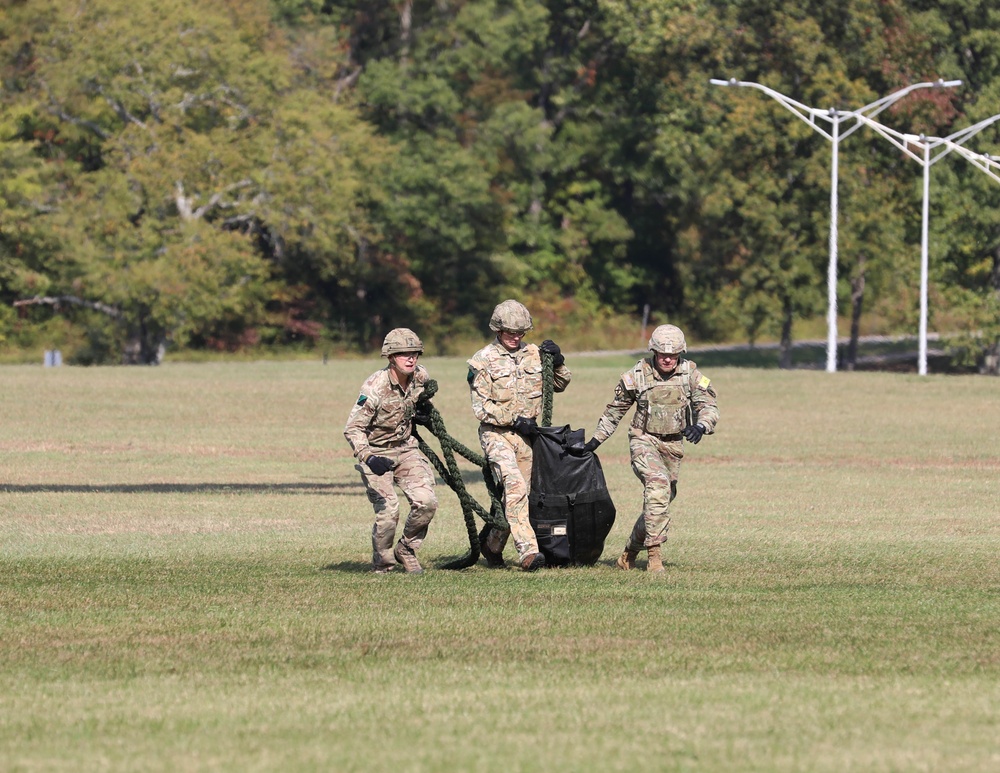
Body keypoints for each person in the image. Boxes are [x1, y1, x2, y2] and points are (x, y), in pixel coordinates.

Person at [568, 324, 718, 573]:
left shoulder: (691, 374)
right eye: (662, 354)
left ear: (681, 353)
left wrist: (701, 426)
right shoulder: (636, 375)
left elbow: (709, 405)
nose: (667, 359)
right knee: (657, 485)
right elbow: (614, 411)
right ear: (653, 352)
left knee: (660, 501)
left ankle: (629, 553)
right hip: (643, 440)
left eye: (673, 354)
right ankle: (654, 557)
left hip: (672, 445)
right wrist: (595, 441)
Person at [467, 300, 571, 572]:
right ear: (497, 330)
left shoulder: (535, 354)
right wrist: (513, 419)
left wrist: (558, 362)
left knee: (520, 495)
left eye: (520, 333)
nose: (515, 338)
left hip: (529, 438)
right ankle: (528, 551)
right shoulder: (482, 360)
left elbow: (559, 384)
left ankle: (492, 544)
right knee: (514, 487)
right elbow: (481, 408)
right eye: (509, 333)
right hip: (497, 435)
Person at [344, 328, 438, 574]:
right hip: (376, 452)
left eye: (414, 353)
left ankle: (406, 548)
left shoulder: (420, 377)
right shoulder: (375, 388)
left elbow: (422, 400)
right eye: (403, 354)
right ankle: (383, 565)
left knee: (426, 502)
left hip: (406, 449)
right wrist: (369, 457)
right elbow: (353, 429)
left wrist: (423, 412)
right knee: (389, 511)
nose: (410, 359)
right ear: (390, 358)